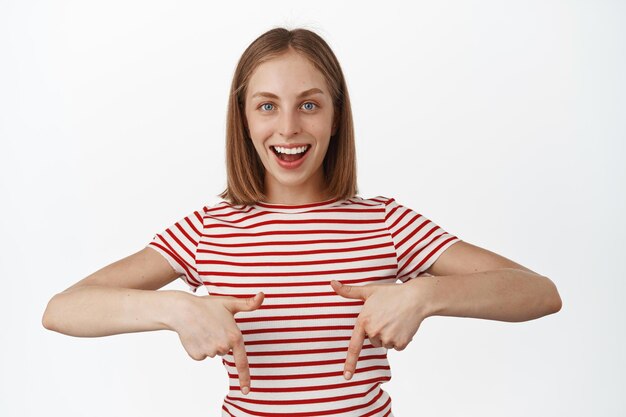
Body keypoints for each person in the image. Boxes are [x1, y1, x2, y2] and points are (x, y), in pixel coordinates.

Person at [42, 27, 562, 417]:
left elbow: (538, 292)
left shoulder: (386, 222)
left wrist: (424, 295)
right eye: (267, 105)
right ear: (243, 119)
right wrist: (174, 309)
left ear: (336, 118)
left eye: (309, 105)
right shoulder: (207, 229)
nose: (288, 127)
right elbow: (62, 310)